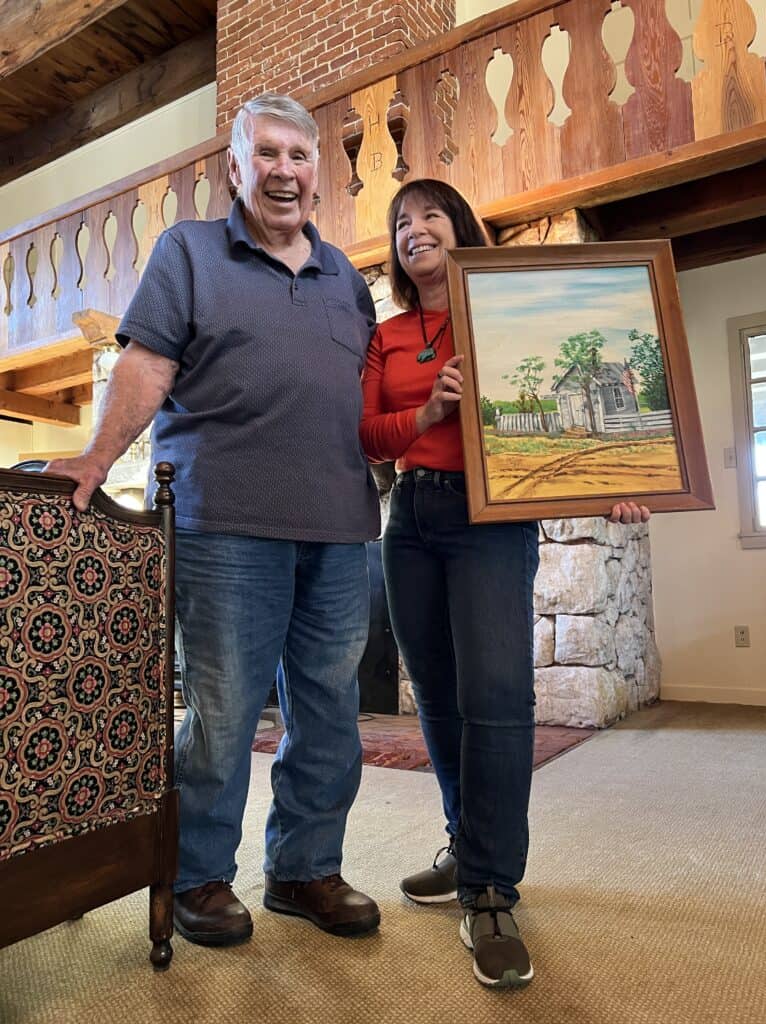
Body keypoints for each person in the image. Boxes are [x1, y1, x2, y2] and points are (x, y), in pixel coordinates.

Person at [46, 93, 382, 947]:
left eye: (298, 157)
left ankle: (306, 868)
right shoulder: (189, 250)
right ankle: (198, 877)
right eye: (265, 155)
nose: (283, 171)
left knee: (330, 712)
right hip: (226, 525)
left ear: (318, 172)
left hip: (342, 529)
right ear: (235, 168)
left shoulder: (347, 277)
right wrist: (94, 455)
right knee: (224, 712)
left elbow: (365, 395)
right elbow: (147, 365)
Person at [359, 178, 650, 989]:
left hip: (492, 524)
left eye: (431, 215)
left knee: (497, 699)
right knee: (440, 702)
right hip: (408, 523)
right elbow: (367, 434)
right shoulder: (384, 336)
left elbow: (565, 415)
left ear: (461, 229)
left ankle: (491, 891)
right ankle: (465, 848)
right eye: (401, 222)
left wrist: (612, 482)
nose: (415, 229)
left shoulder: (511, 314)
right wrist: (421, 419)